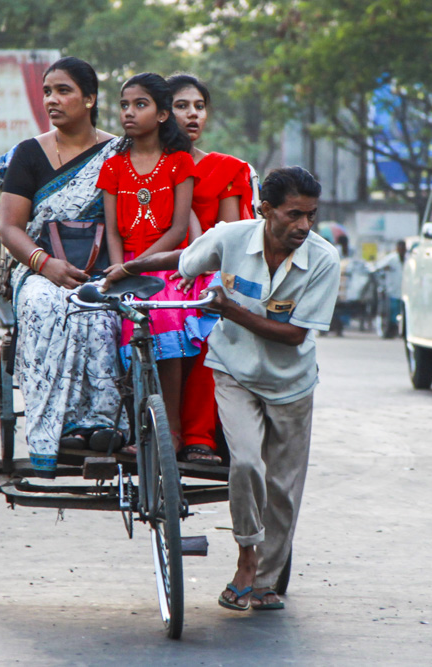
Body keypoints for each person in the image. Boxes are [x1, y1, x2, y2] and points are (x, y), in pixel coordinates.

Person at [104, 166, 340, 612]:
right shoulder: (232, 237)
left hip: (291, 384)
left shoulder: (324, 259)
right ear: (265, 210)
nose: (303, 226)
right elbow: (182, 259)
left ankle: (267, 581)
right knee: (247, 462)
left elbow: (293, 335)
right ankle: (247, 561)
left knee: (284, 489)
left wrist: (228, 309)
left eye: (310, 215)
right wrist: (126, 268)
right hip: (233, 371)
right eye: (294, 215)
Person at [0, 56, 126, 476]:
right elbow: (11, 227)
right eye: (47, 91)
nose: (52, 100)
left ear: (90, 99)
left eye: (63, 90)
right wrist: (44, 264)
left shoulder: (118, 151)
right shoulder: (29, 154)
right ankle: (59, 429)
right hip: (38, 270)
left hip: (104, 270)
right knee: (43, 306)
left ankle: (103, 426)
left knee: (105, 316)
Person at [98, 72, 195, 452]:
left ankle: (170, 431)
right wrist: (120, 270)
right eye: (124, 105)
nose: (129, 112)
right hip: (123, 266)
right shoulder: (114, 167)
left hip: (166, 265)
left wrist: (136, 268)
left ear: (161, 115)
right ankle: (139, 430)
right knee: (121, 329)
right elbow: (112, 233)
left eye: (140, 105)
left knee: (164, 323)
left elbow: (179, 228)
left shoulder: (179, 162)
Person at [167, 73, 256, 465]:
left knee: (214, 328)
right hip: (154, 271)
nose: (192, 115)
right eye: (181, 106)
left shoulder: (227, 168)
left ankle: (199, 436)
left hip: (206, 273)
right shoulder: (132, 164)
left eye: (199, 107)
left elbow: (231, 238)